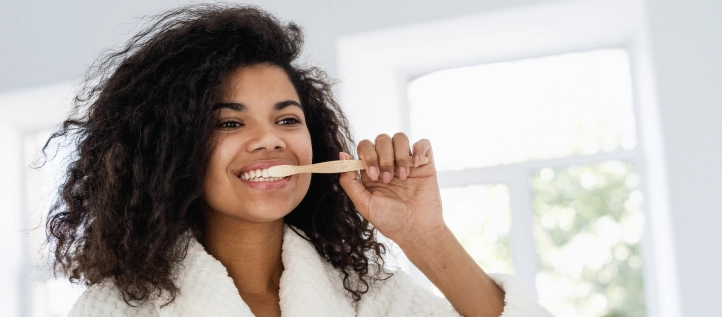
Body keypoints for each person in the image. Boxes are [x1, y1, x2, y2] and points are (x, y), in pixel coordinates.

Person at [44, 3, 553, 317]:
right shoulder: (119, 311)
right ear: (169, 152)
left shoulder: (366, 298)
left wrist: (423, 235)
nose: (271, 140)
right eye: (229, 122)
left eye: (288, 120)